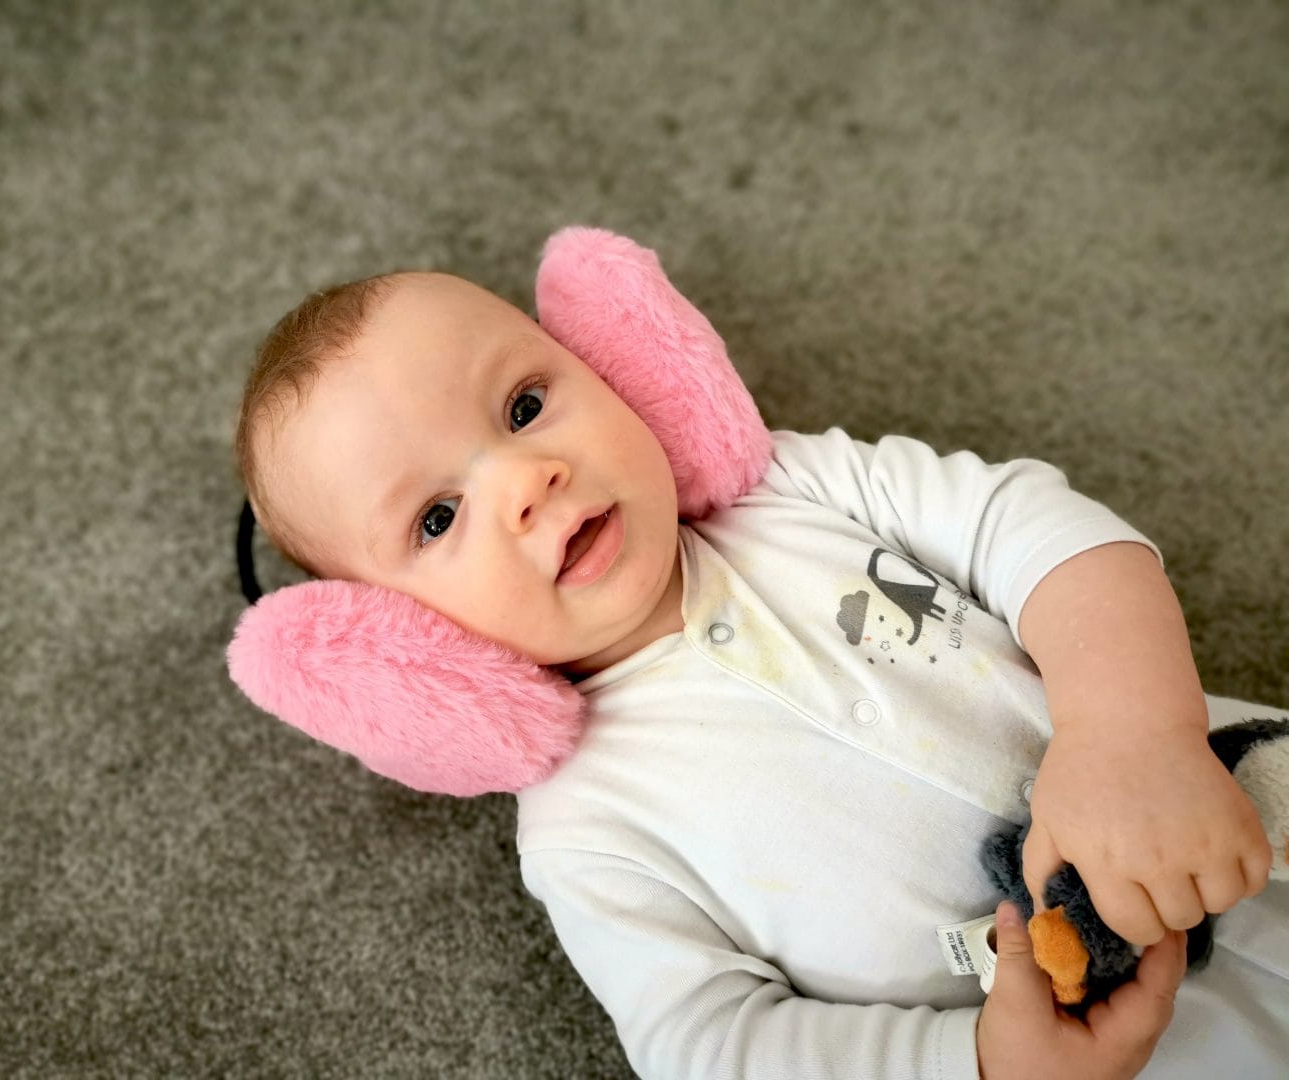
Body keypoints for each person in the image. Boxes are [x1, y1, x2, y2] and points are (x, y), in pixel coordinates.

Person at [234, 268, 1289, 1078]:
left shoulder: (795, 485)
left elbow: (1031, 524)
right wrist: (970, 1063)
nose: (525, 477)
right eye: (436, 518)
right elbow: (709, 1043)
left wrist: (1129, 729)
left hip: (1235, 798)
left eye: (523, 406)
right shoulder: (588, 835)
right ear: (402, 649)